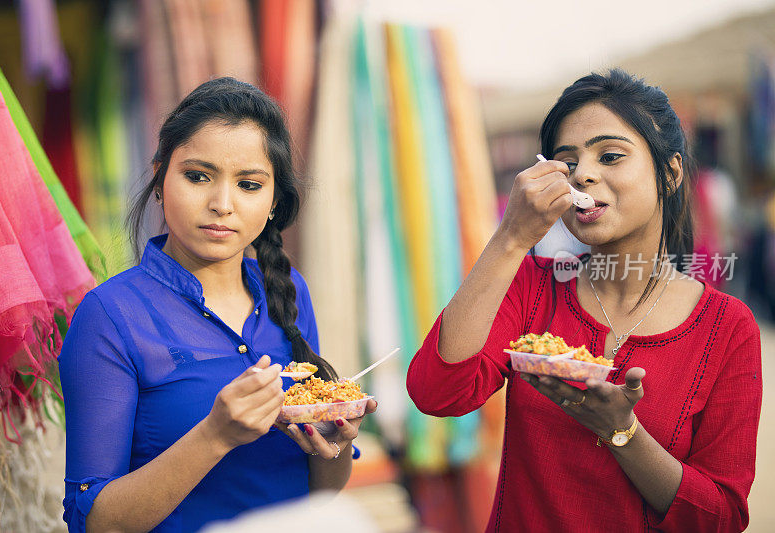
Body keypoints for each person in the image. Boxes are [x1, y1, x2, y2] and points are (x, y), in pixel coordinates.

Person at [406, 69, 762, 532]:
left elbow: (721, 518)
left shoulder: (727, 327)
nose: (584, 174)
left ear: (670, 173)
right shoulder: (533, 287)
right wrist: (511, 238)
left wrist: (622, 432)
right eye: (567, 163)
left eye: (610, 156)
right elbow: (437, 393)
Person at [59, 77, 376, 532]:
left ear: (273, 202)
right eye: (197, 176)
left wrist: (336, 442)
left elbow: (320, 492)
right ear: (158, 178)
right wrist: (215, 436)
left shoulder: (289, 291)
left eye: (249, 184)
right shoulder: (110, 316)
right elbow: (93, 522)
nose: (221, 204)